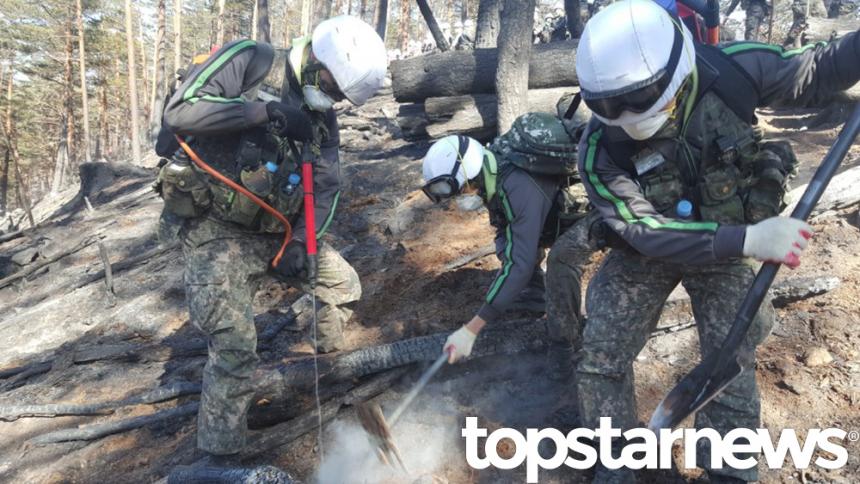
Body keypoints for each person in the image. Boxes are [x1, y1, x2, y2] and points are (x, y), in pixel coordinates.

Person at [574, 0, 860, 482]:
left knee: (729, 357)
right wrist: (748, 239)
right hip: (653, 249)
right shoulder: (600, 149)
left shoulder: (732, 71)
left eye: (639, 98)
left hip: (733, 239)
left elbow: (817, 69)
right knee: (601, 354)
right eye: (607, 107)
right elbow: (643, 230)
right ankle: (616, 460)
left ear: (676, 70)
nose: (623, 115)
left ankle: (726, 472)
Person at [157, 15, 387, 461]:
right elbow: (181, 111)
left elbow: (325, 186)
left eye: (341, 97)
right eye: (334, 89)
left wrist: (300, 242)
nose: (333, 100)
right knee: (235, 349)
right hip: (214, 233)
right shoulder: (252, 60)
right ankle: (220, 458)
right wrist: (263, 112)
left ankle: (326, 365)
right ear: (322, 60)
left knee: (343, 285)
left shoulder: (322, 119)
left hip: (273, 231)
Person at [421, 96, 606, 365]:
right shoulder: (490, 168)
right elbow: (505, 230)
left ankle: (566, 347)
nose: (459, 199)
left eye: (460, 191)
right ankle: (534, 296)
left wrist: (471, 329)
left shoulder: (517, 186)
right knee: (506, 245)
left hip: (597, 211)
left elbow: (519, 263)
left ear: (470, 176)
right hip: (550, 211)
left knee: (561, 260)